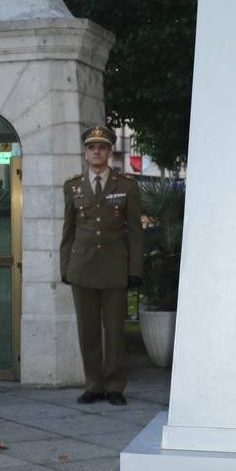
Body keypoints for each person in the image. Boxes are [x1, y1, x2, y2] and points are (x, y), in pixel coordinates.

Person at [61, 124, 142, 406]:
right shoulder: (72, 186)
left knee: (115, 331)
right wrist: (65, 268)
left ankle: (115, 386)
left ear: (109, 152)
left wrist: (135, 271)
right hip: (82, 268)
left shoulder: (127, 186)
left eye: (102, 147)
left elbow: (134, 232)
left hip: (114, 269)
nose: (97, 151)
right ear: (85, 154)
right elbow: (68, 232)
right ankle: (93, 385)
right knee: (88, 330)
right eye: (92, 147)